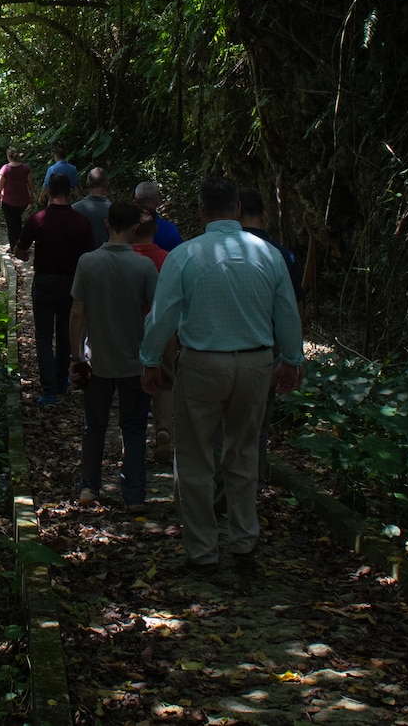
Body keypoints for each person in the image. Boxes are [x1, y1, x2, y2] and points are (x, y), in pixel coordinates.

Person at [140, 177, 303, 578]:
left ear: (200, 210)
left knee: (195, 459)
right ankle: (244, 544)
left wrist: (149, 360)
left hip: (201, 364)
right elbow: (287, 313)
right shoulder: (268, 254)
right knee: (244, 454)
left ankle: (203, 552)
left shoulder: (185, 255)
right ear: (235, 208)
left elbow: (162, 316)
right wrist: (291, 360)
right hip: (255, 364)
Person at [70, 198, 160, 511]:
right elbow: (157, 314)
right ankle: (134, 494)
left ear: (107, 224)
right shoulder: (144, 266)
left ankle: (89, 487)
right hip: (134, 360)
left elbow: (77, 312)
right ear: (136, 227)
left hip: (97, 359)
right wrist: (155, 356)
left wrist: (75, 355)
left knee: (94, 426)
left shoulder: (88, 262)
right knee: (133, 427)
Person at [14, 171, 96, 406]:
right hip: (71, 283)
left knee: (43, 336)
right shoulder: (82, 222)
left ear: (49, 190)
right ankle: (62, 382)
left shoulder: (38, 219)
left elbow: (20, 251)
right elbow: (88, 257)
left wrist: (26, 254)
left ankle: (49, 390)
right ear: (69, 191)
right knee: (64, 333)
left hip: (45, 282)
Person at [239, 186, 304, 480]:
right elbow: (294, 309)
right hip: (269, 348)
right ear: (265, 213)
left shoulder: (225, 251)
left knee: (220, 424)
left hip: (226, 345)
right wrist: (292, 356)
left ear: (236, 212)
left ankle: (221, 488)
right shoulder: (282, 255)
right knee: (258, 424)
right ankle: (253, 484)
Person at [130, 209, 176, 458]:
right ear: (156, 230)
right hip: (165, 328)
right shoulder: (169, 259)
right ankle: (164, 429)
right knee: (165, 383)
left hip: (132, 328)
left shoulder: (126, 258)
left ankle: (134, 437)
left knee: (134, 381)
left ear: (133, 229)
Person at [0, 147, 33, 248]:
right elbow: (30, 183)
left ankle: (13, 246)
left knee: (11, 224)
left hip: (8, 201)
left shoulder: (5, 169)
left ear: (8, 157)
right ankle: (21, 245)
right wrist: (32, 195)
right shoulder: (25, 168)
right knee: (18, 221)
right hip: (22, 200)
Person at [135, 180, 184, 251]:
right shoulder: (169, 229)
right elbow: (179, 254)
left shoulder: (128, 227)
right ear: (157, 201)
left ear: (136, 200)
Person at [71, 166, 112, 248]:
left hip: (81, 259)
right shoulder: (115, 210)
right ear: (107, 184)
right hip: (109, 259)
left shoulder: (73, 210)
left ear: (87, 184)